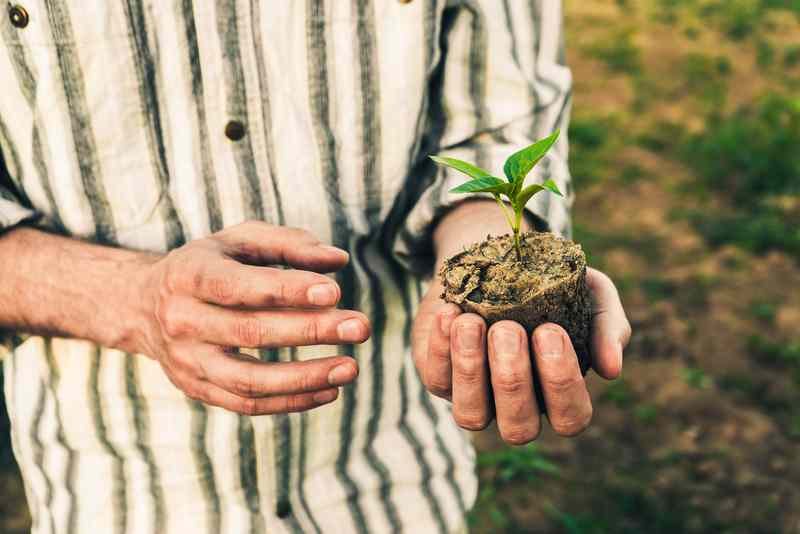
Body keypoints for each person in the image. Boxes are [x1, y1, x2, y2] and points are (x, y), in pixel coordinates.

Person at [0, 1, 631, 533]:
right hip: (120, 490)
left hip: (390, 478)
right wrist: (132, 299)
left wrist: (484, 271)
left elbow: (501, 130)